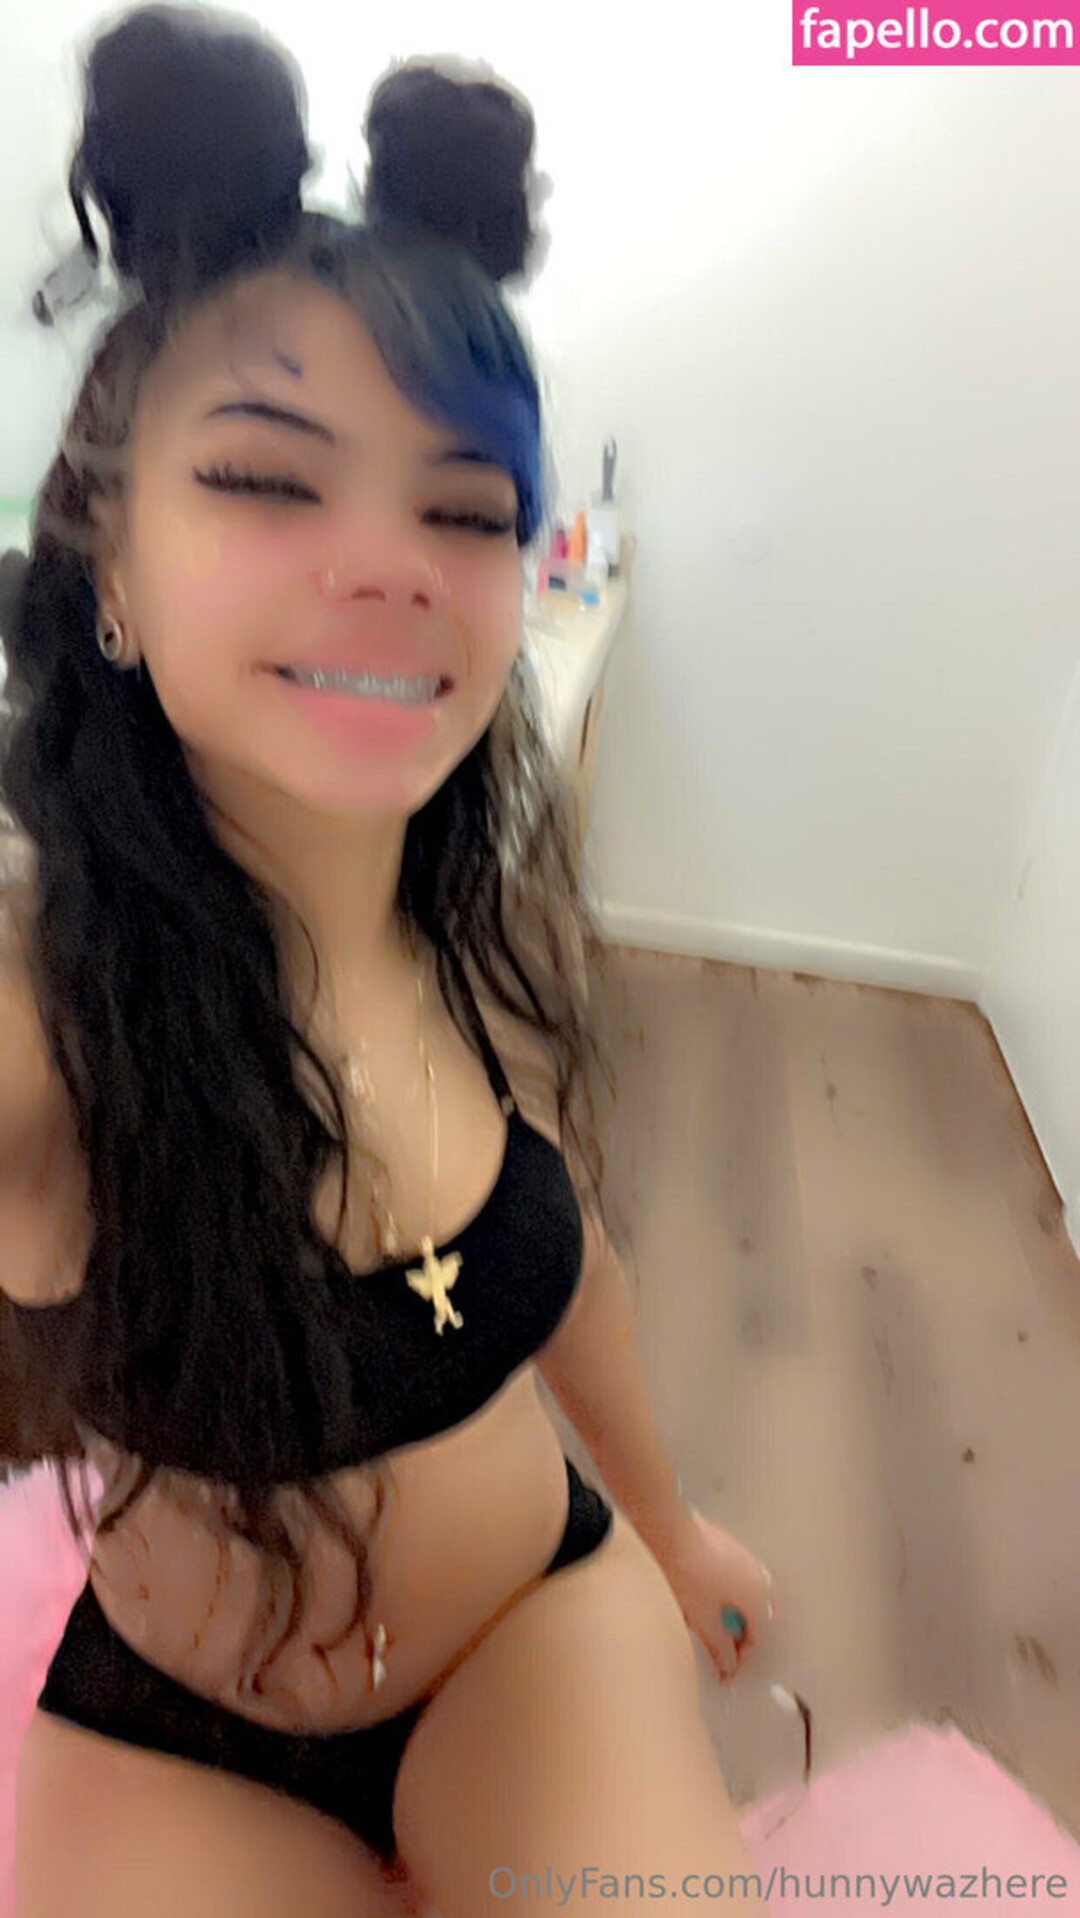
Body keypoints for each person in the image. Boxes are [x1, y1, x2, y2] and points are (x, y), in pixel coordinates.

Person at [1, 7, 775, 1912]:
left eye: (464, 507)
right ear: (107, 555)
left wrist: (670, 1525)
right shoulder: (44, 1002)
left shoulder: (479, 924)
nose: (391, 561)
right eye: (270, 480)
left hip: (532, 1621)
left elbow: (568, 1257)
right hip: (183, 1723)